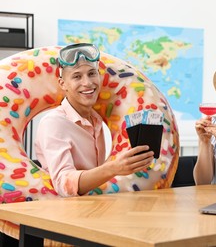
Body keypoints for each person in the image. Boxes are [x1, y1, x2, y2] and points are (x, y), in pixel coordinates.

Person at [34, 43, 154, 197]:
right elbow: (64, 184)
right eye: (77, 76)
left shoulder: (96, 120)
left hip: (97, 207)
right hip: (63, 213)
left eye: (92, 74)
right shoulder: (54, 123)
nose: (88, 83)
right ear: (63, 83)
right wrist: (113, 168)